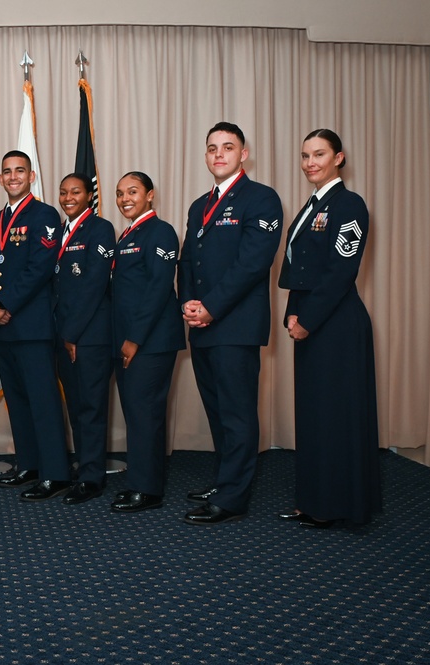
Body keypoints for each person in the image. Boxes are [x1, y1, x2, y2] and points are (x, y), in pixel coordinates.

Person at [178, 121, 283, 525]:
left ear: (244, 153)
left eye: (227, 147)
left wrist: (211, 306)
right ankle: (226, 480)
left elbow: (253, 263)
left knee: (237, 414)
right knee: (218, 411)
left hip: (235, 325)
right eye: (212, 148)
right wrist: (188, 301)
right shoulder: (198, 205)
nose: (218, 154)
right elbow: (188, 260)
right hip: (202, 324)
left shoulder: (261, 199)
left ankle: (234, 497)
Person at [277, 129, 381, 528]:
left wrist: (308, 319)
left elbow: (341, 271)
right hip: (312, 321)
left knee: (335, 417)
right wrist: (292, 311)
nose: (310, 163)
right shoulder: (311, 206)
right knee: (314, 416)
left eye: (319, 154)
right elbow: (300, 268)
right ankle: (313, 501)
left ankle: (338, 505)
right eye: (305, 156)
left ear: (339, 158)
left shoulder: (349, 204)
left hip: (337, 324)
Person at [0, 151, 71, 501]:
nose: (13, 176)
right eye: (7, 172)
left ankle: (55, 472)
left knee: (43, 399)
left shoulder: (45, 215)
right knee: (17, 400)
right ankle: (29, 465)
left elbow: (41, 266)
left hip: (32, 325)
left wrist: (5, 304)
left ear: (31, 176)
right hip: (3, 326)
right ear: (1, 179)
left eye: (20, 170)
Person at [109, 172, 185, 513]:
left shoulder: (161, 232)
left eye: (133, 191)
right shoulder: (127, 235)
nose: (126, 198)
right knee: (137, 414)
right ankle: (139, 482)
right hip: (130, 341)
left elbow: (157, 289)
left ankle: (148, 490)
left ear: (150, 195)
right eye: (120, 193)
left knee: (146, 413)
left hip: (150, 342)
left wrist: (134, 340)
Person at [52, 173, 116, 504]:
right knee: (76, 405)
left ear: (88, 195)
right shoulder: (62, 231)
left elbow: (94, 285)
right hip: (66, 335)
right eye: (63, 192)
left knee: (91, 406)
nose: (67, 197)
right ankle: (85, 464)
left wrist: (73, 334)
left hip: (89, 336)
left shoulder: (100, 228)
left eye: (75, 192)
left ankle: (92, 477)